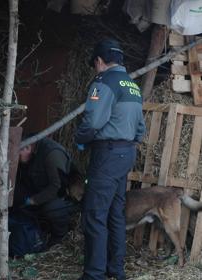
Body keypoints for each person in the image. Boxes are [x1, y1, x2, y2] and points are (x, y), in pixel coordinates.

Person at [75, 38, 146, 280]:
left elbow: (93, 121)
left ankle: (94, 274)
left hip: (107, 155)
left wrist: (81, 136)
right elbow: (140, 129)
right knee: (115, 213)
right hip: (126, 153)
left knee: (95, 214)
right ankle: (115, 270)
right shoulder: (132, 85)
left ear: (99, 60)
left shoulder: (104, 81)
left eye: (94, 63)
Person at [11, 136, 83, 246]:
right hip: (40, 191)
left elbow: (58, 188)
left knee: (52, 209)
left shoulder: (51, 154)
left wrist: (33, 200)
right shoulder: (28, 156)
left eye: (18, 154)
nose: (17, 158)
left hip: (66, 197)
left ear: (27, 148)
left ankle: (60, 236)